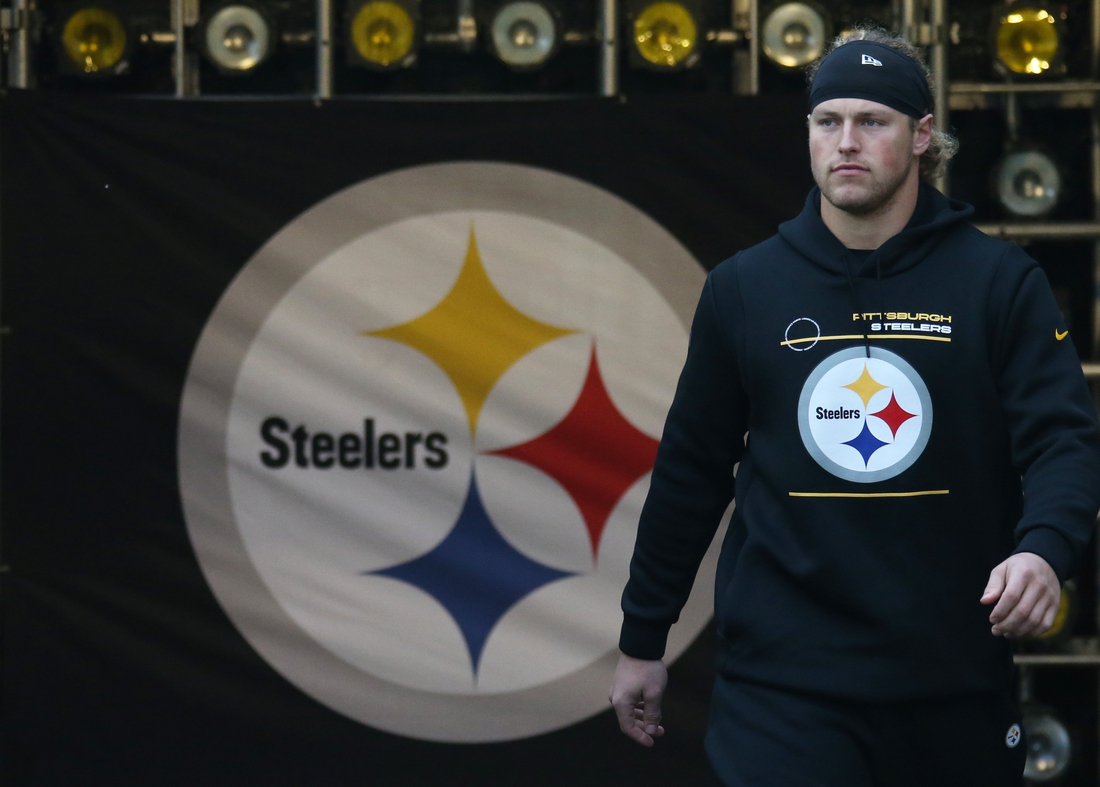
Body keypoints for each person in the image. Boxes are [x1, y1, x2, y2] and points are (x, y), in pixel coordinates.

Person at [609, 26, 1100, 787]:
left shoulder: (998, 282)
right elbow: (690, 472)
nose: (846, 142)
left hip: (951, 684)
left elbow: (1064, 439)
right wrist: (644, 636)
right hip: (784, 692)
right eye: (828, 120)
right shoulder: (744, 288)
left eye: (872, 122)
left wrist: (1045, 548)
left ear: (922, 135)